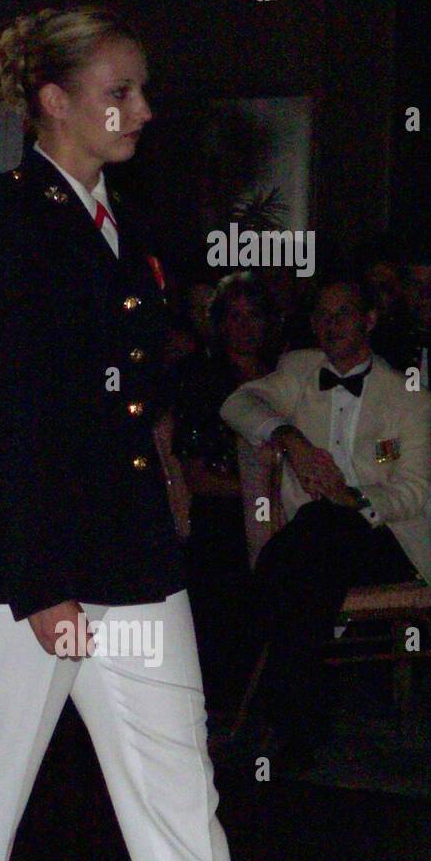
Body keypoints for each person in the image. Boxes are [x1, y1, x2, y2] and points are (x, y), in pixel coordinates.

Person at [0, 6, 250, 861]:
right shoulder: (6, 219)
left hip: (129, 557)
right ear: (54, 100)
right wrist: (39, 582)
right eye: (120, 93)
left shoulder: (115, 223)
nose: (141, 111)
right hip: (33, 566)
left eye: (142, 92)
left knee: (181, 786)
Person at [221, 278, 431, 765]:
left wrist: (351, 497)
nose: (330, 324)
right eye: (322, 314)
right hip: (316, 547)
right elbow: (237, 405)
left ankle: (272, 709)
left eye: (343, 313)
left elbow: (413, 493)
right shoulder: (299, 369)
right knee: (310, 563)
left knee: (314, 536)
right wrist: (291, 439)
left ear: (369, 321)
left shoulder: (410, 398)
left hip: (382, 541)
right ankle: (302, 725)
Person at [169, 271, 276, 709]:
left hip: (285, 507)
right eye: (234, 317)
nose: (244, 327)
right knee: (223, 557)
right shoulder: (201, 380)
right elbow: (196, 474)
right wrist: (255, 494)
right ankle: (223, 703)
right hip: (224, 508)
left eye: (254, 316)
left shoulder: (290, 374)